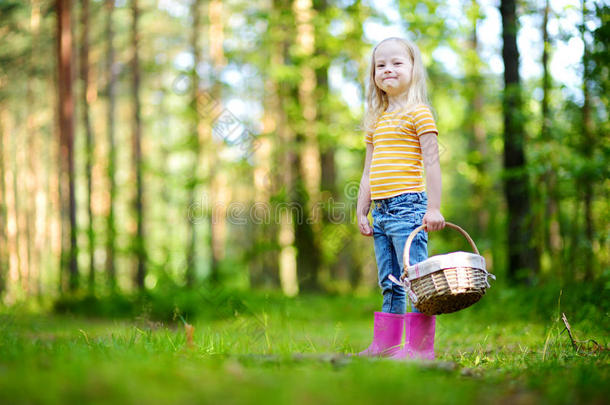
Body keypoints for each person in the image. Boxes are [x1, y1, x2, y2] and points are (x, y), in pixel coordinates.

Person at [355, 37, 445, 360]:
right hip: (380, 212)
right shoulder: (375, 121)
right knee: (389, 281)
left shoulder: (419, 113)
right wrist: (362, 209)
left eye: (396, 63)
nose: (387, 69)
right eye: (381, 65)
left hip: (409, 208)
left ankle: (420, 349)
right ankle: (387, 345)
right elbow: (368, 171)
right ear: (374, 76)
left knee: (415, 279)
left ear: (413, 70)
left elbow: (432, 162)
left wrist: (433, 207)